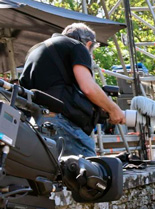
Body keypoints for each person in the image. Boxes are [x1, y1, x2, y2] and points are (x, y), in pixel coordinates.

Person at [19, 22, 125, 157]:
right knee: (90, 169)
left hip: (33, 122)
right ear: (88, 44)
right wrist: (113, 109)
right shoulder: (77, 46)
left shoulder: (36, 50)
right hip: (58, 121)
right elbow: (88, 87)